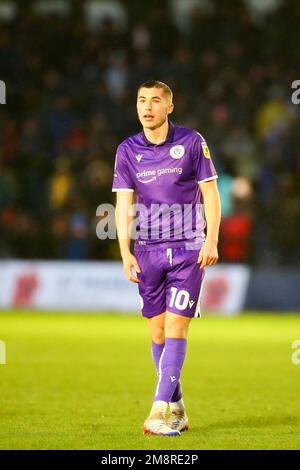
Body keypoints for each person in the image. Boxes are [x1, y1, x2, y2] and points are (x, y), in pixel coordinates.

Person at [112, 80, 221, 436]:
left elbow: (211, 194)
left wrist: (211, 241)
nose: (147, 107)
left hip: (188, 249)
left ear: (169, 107)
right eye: (141, 100)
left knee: (176, 327)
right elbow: (124, 203)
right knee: (157, 331)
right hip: (147, 250)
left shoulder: (191, 142)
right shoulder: (127, 150)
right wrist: (125, 250)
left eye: (155, 100)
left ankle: (159, 409)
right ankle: (179, 408)